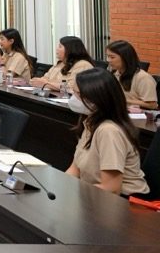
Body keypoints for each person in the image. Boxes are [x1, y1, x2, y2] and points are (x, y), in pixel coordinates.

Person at [65, 68, 149, 196]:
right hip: (96, 194)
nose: (73, 97)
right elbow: (75, 169)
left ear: (96, 99)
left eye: (77, 93)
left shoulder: (109, 131)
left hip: (124, 201)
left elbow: (111, 188)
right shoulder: (90, 123)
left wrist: (74, 194)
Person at [105, 40, 157, 110]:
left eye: (112, 57)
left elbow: (152, 105)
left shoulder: (143, 77)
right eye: (107, 56)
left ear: (125, 58)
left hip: (137, 114)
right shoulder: (114, 74)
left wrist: (122, 100)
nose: (108, 60)